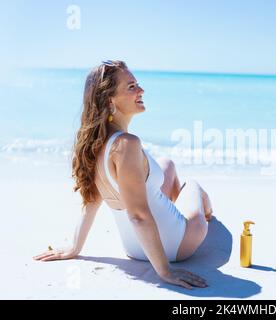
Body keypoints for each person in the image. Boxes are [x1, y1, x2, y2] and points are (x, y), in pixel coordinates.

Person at [33, 60, 213, 290]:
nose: (141, 90)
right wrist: (165, 271)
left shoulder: (96, 143)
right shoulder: (127, 145)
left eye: (137, 84)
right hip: (175, 245)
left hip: (133, 247)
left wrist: (75, 247)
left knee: (167, 164)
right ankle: (207, 213)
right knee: (194, 186)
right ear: (110, 100)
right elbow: (138, 215)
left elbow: (92, 200)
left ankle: (169, 206)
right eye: (131, 87)